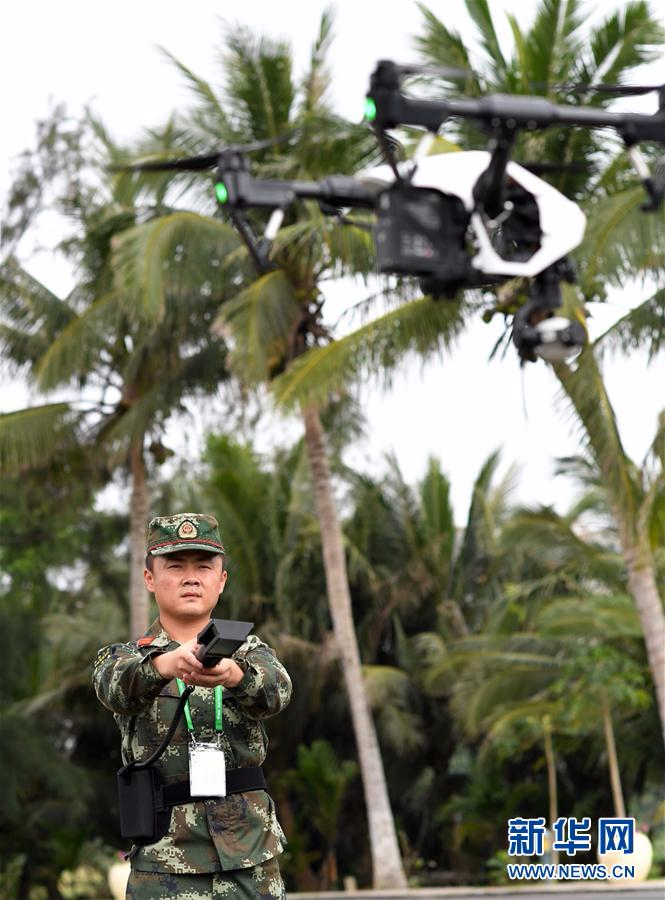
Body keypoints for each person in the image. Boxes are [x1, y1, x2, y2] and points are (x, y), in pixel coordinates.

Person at [92, 513, 292, 899]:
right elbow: (114, 687)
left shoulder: (251, 653)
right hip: (164, 863)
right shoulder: (124, 657)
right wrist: (165, 665)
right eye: (175, 566)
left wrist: (235, 676)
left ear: (221, 580)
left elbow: (278, 691)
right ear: (150, 578)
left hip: (250, 857)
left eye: (203, 566)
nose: (191, 577)